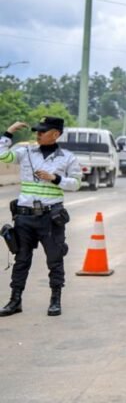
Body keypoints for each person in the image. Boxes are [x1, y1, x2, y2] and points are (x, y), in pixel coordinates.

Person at [0, 116, 80, 317]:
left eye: (42, 131)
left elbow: (76, 183)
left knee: (55, 259)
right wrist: (8, 133)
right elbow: (2, 156)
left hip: (50, 217)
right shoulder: (25, 152)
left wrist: (56, 179)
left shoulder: (67, 157)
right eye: (37, 131)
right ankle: (15, 300)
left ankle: (55, 300)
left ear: (55, 134)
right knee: (21, 260)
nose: (38, 134)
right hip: (24, 217)